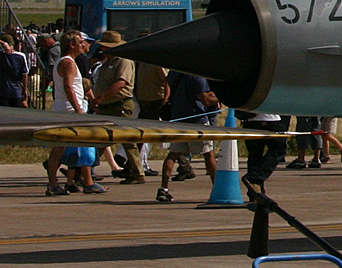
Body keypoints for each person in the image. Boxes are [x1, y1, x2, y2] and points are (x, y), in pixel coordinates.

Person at [45, 31, 101, 195]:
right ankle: (86, 181)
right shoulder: (68, 63)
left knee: (60, 149)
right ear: (72, 45)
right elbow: (68, 87)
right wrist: (78, 110)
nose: (84, 45)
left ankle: (55, 183)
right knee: (83, 145)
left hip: (64, 110)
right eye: (80, 42)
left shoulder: (66, 62)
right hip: (69, 112)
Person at [90, 31, 146, 183]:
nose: (101, 48)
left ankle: (137, 172)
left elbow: (121, 83)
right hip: (107, 106)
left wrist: (101, 97)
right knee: (101, 139)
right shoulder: (107, 62)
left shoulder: (123, 61)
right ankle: (86, 169)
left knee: (127, 139)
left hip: (120, 104)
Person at [157, 71, 218, 202]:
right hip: (197, 121)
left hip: (178, 118)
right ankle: (218, 188)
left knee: (172, 154)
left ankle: (163, 188)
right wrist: (220, 98)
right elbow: (206, 100)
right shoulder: (196, 76)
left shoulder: (174, 73)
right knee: (209, 154)